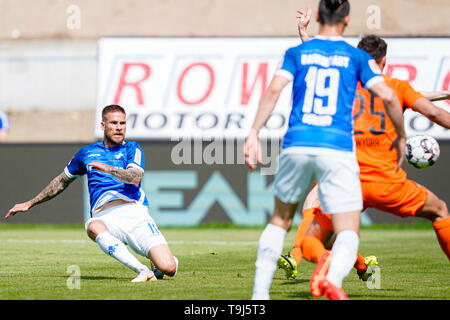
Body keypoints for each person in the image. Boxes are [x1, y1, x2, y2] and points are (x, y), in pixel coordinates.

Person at [244, 0, 407, 300]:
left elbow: (274, 90)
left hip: (297, 142)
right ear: (346, 19)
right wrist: (402, 136)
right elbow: (389, 96)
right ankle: (332, 280)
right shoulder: (356, 57)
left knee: (280, 219)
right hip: (337, 147)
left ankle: (259, 296)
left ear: (318, 15)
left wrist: (254, 132)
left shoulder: (297, 54)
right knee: (347, 230)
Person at [277, 10, 450, 281]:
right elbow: (430, 110)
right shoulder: (395, 88)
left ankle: (310, 258)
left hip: (345, 178)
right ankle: (355, 266)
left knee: (317, 230)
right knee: (439, 210)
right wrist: (444, 95)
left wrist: (303, 34)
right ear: (384, 61)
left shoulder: (343, 84)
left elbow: (317, 64)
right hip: (385, 182)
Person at [5, 104, 178, 282]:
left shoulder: (132, 148)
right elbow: (61, 181)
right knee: (92, 226)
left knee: (169, 268)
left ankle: (159, 264)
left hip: (134, 213)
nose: (119, 127)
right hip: (105, 216)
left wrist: (108, 169)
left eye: (122, 123)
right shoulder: (87, 153)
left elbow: (135, 177)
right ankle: (142, 270)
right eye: (114, 123)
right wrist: (30, 203)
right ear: (103, 126)